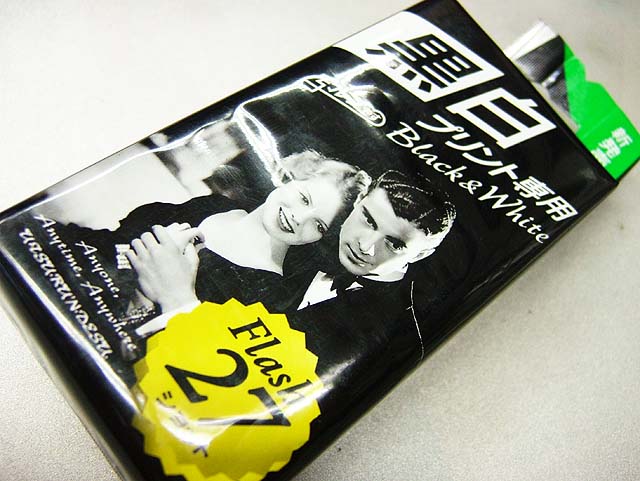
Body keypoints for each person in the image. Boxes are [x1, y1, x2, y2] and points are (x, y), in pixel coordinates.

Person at [119, 154, 370, 337]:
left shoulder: (270, 296)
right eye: (304, 198)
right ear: (287, 178)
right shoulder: (214, 206)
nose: (300, 218)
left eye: (318, 225)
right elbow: (119, 237)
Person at [297, 169, 456, 310]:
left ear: (419, 255)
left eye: (394, 244)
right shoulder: (301, 236)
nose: (365, 246)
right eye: (368, 220)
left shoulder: (400, 323)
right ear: (359, 199)